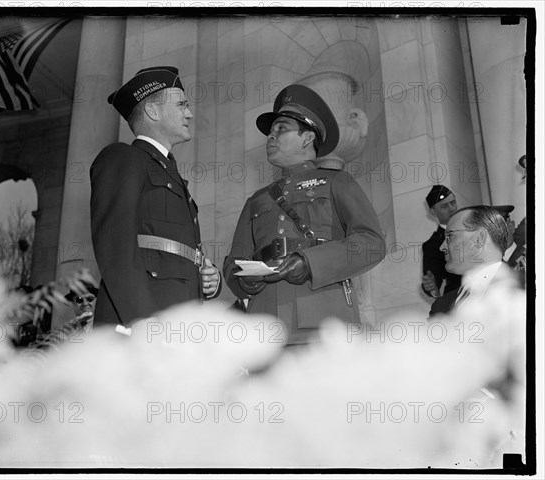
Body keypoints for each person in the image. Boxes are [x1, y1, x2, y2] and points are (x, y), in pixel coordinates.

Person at [223, 84, 386, 345]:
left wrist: (311, 263)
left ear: (307, 138)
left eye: (281, 128)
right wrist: (244, 282)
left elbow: (371, 244)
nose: (270, 136)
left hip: (324, 322)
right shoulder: (256, 200)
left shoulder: (337, 182)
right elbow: (234, 262)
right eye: (271, 131)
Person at [90, 66, 221, 329]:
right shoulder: (123, 158)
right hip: (144, 320)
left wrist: (209, 278)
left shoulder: (170, 173)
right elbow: (116, 245)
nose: (190, 113)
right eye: (182, 104)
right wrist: (141, 319)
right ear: (153, 111)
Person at [429, 206, 516, 317]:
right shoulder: (440, 307)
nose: (442, 247)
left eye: (449, 236)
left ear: (479, 238)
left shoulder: (526, 288)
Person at [421, 185, 462, 299]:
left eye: (453, 202)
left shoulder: (476, 226)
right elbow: (432, 278)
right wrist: (432, 287)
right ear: (433, 211)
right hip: (459, 300)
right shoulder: (433, 245)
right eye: (444, 206)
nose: (452, 208)